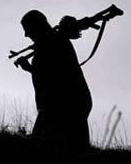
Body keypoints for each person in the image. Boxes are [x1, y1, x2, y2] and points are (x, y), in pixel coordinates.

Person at [16, 10, 92, 150]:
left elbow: (55, 76)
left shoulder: (54, 42)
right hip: (65, 104)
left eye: (27, 29)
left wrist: (30, 68)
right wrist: (30, 68)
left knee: (49, 147)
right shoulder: (50, 42)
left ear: (37, 26)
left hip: (65, 104)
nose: (26, 35)